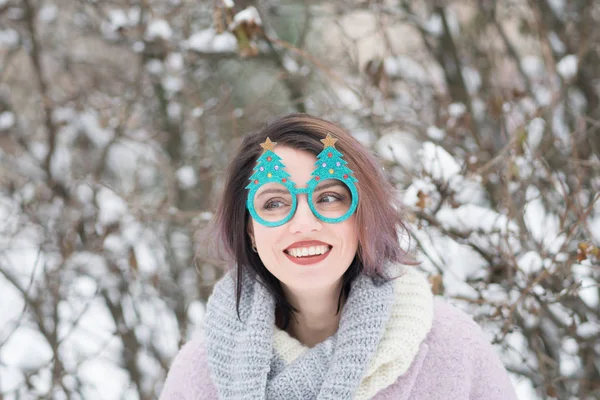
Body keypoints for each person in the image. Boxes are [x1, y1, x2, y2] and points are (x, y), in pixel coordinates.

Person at [159, 114, 518, 399]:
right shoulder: (198, 374)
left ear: (363, 215)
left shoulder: (451, 348)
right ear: (249, 230)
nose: (304, 223)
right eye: (274, 203)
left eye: (329, 197)